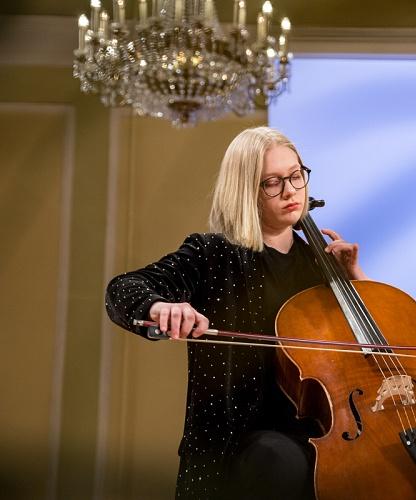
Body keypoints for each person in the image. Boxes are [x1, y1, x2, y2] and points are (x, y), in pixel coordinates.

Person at [105, 126, 367, 499]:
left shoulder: (320, 264)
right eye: (272, 183)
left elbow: (372, 354)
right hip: (236, 447)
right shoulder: (212, 254)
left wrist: (356, 281)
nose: (291, 190)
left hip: (321, 432)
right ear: (245, 190)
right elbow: (123, 289)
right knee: (279, 461)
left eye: (295, 175)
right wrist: (160, 306)